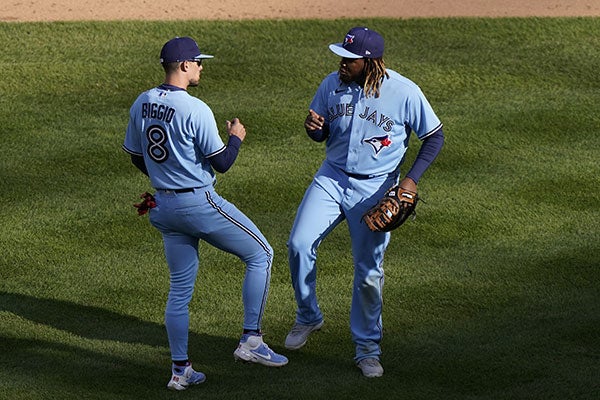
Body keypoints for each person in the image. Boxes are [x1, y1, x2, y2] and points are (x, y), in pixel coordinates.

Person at [122, 36, 288, 391]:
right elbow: (222, 163)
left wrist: (163, 176)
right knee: (262, 253)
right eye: (197, 61)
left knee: (179, 291)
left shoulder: (143, 101)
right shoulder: (194, 109)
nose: (201, 66)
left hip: (163, 207)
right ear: (183, 66)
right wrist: (237, 137)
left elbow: (137, 156)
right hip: (197, 204)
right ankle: (251, 341)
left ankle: (180, 370)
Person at [284, 27, 444, 378]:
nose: (341, 63)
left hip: (374, 189)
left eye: (349, 59)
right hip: (332, 177)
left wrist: (410, 181)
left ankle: (367, 349)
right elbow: (320, 131)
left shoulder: (404, 92)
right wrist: (314, 128)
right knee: (298, 244)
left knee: (368, 271)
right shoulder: (332, 83)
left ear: (369, 62)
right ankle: (308, 316)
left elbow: (434, 136)